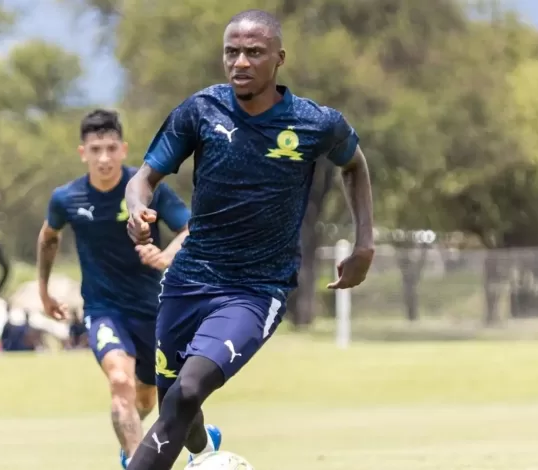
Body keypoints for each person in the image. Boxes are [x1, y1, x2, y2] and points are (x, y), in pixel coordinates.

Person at [124, 9, 376, 470]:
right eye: (232, 52)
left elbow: (354, 165)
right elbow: (144, 177)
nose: (240, 62)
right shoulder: (201, 111)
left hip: (255, 290)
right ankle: (204, 450)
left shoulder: (315, 123)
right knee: (174, 404)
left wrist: (365, 244)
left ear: (279, 59)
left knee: (189, 390)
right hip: (187, 280)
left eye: (253, 53)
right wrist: (137, 208)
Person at [36, 109, 191, 469]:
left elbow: (190, 229)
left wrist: (167, 255)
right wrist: (43, 291)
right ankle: (138, 462)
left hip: (154, 311)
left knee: (146, 398)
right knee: (119, 379)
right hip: (104, 310)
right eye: (95, 150)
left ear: (123, 149)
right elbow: (48, 237)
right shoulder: (67, 198)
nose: (103, 158)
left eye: (110, 148)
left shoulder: (146, 189)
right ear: (82, 153)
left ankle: (140, 443)